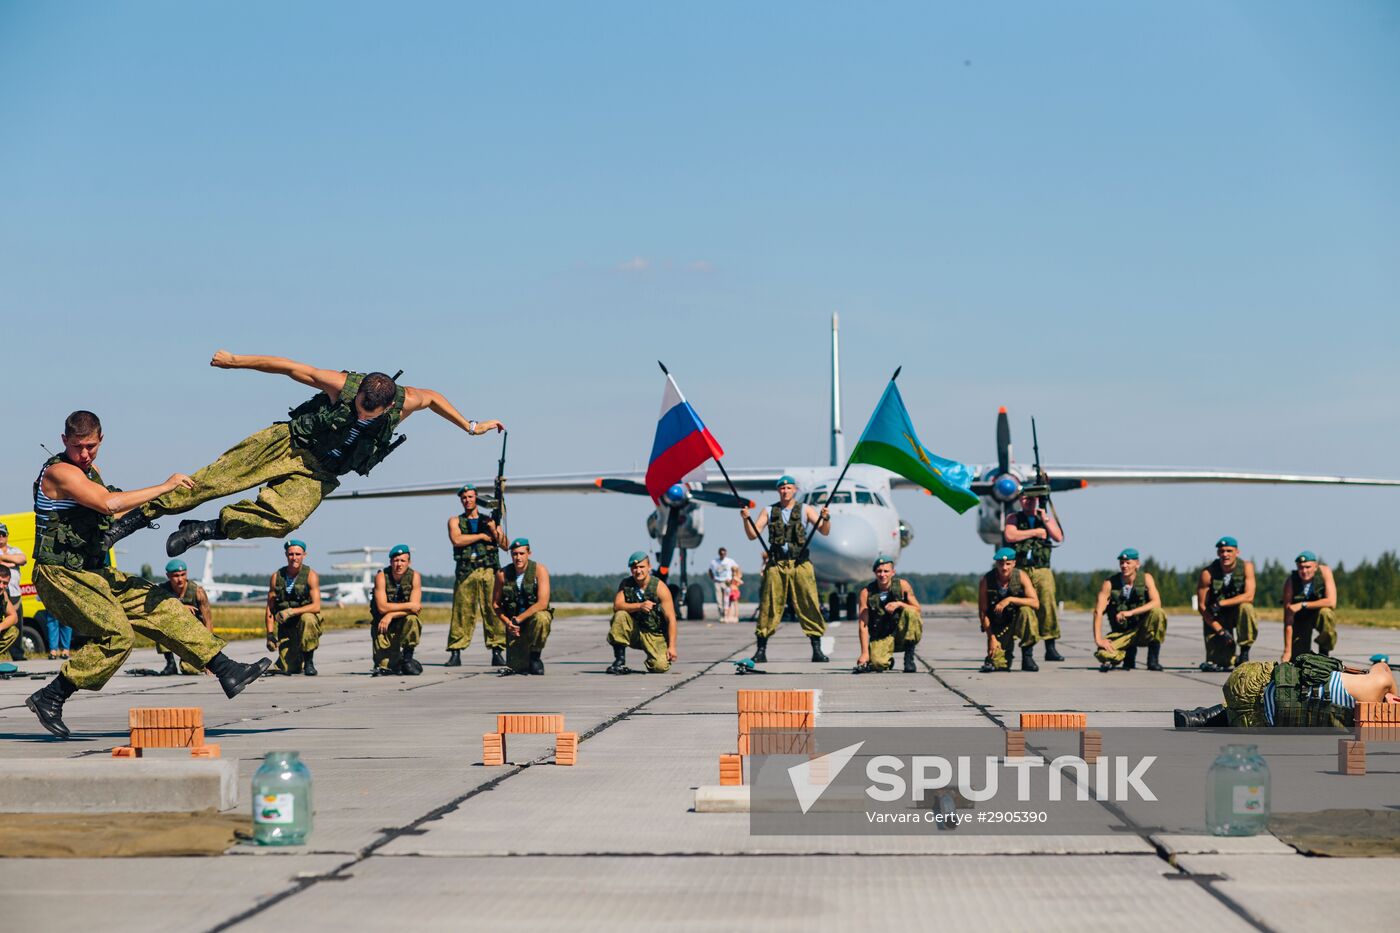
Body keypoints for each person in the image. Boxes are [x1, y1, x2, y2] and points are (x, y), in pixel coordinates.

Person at [100, 352, 504, 557]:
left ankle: (205, 530)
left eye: (368, 412)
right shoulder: (341, 384)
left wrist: (471, 426)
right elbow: (288, 366)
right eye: (359, 405)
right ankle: (132, 521)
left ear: (386, 408)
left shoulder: (406, 402)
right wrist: (235, 361)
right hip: (287, 444)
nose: (361, 413)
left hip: (320, 471)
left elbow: (434, 398)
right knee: (210, 482)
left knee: (284, 521)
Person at [25, 411, 270, 738]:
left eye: (91, 446)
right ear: (63, 441)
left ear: (101, 440)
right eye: (77, 446)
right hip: (60, 575)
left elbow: (118, 510)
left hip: (93, 572)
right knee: (118, 636)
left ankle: (226, 670)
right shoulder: (60, 473)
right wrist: (164, 485)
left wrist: (169, 500)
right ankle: (52, 696)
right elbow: (110, 505)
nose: (84, 454)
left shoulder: (90, 471)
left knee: (162, 605)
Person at [739, 476, 831, 663]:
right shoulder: (768, 511)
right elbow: (752, 535)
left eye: (789, 488)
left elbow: (824, 530)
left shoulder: (806, 509)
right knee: (769, 604)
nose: (785, 491)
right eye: (782, 488)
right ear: (778, 491)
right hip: (777, 564)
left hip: (800, 564)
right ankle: (761, 650)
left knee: (809, 603)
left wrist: (826, 518)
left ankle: (817, 649)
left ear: (795, 490)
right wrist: (746, 520)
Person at [1174, 654, 1398, 729]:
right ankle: (1201, 719)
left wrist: (1389, 689)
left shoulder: (1377, 685)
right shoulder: (1359, 731)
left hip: (1246, 683)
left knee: (1281, 687)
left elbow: (1383, 668)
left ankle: (1200, 716)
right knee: (1287, 706)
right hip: (1255, 724)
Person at [447, 484, 506, 667]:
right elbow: (457, 540)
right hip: (467, 571)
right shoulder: (455, 521)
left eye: (471, 497)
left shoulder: (489, 521)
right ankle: (456, 651)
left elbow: (505, 545)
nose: (467, 500)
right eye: (464, 498)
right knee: (461, 612)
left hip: (488, 570)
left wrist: (494, 530)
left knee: (493, 610)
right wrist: (481, 536)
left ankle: (497, 650)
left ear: (477, 498)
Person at [1003, 492, 1064, 661]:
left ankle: (1050, 647)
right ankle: (1016, 648)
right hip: (1021, 569)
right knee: (1020, 606)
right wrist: (1036, 532)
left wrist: (1045, 521)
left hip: (1041, 569)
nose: (1028, 502)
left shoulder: (1044, 517)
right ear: (1020, 501)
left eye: (1031, 498)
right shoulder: (1013, 518)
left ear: (1037, 500)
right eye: (1024, 498)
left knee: (1048, 605)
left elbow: (1058, 537)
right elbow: (1010, 535)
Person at [1091, 548, 1167, 672]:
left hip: (1142, 631)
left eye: (1128, 562)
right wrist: (1098, 639)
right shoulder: (1110, 583)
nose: (1124, 566)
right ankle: (1126, 655)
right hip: (1122, 634)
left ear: (1137, 564)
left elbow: (1156, 602)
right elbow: (1098, 612)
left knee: (1158, 613)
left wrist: (1130, 613)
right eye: (1121, 562)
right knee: (1103, 654)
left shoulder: (1146, 578)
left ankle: (1153, 660)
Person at [606, 552, 677, 674]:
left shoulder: (660, 588)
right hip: (635, 632)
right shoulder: (626, 585)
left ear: (649, 567)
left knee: (660, 667)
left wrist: (672, 647)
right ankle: (619, 661)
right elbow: (617, 606)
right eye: (634, 568)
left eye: (641, 567)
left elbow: (671, 619)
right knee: (620, 616)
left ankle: (653, 659)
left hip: (654, 635)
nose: (638, 571)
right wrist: (639, 606)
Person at [1196, 536, 1257, 672]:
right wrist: (1221, 631)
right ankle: (1234, 659)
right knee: (1220, 663)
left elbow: (1249, 595)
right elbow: (1202, 607)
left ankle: (1244, 652)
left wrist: (1222, 603)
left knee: (1247, 607)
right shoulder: (1208, 573)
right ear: (1218, 553)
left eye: (1229, 551)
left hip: (1238, 613)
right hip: (1218, 618)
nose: (1225, 554)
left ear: (1237, 552)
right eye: (1222, 551)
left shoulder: (1246, 567)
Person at [853, 556, 923, 674]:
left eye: (886, 571)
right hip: (882, 636)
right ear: (875, 573)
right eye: (879, 571)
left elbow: (917, 609)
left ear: (893, 572)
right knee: (877, 664)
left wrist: (900, 604)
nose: (882, 574)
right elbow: (863, 625)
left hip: (901, 634)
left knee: (911, 612)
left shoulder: (902, 585)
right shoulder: (866, 592)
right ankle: (888, 660)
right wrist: (864, 653)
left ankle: (909, 658)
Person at [493, 537, 552, 675]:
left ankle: (535, 656)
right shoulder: (502, 574)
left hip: (531, 619)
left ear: (529, 553)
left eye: (521, 553)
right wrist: (508, 623)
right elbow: (496, 604)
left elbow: (543, 603)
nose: (518, 557)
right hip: (514, 626)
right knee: (518, 668)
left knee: (542, 618)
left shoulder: (539, 570)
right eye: (514, 554)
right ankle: (525, 658)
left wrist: (519, 618)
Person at [977, 547, 1040, 673]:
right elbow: (983, 613)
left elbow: (1035, 603)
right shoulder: (986, 580)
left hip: (1017, 620)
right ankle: (999, 656)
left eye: (1008, 564)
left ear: (1014, 563)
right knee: (1000, 665)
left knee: (1026, 611)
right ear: (996, 564)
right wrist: (992, 638)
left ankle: (1027, 657)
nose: (1004, 567)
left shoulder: (1021, 576)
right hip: (999, 627)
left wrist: (1010, 599)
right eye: (1001, 564)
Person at [265, 539, 323, 676]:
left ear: (304, 555)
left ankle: (309, 662)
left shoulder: (311, 575)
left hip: (305, 623)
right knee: (289, 669)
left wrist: (292, 611)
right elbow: (270, 608)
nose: (294, 558)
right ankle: (295, 658)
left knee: (308, 618)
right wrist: (270, 634)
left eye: (298, 554)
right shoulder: (276, 577)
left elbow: (316, 606)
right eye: (291, 554)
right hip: (287, 628)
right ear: (286, 555)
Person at [155, 558, 213, 675]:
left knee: (188, 669)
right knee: (159, 623)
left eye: (183, 575)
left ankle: (192, 661)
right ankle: (170, 663)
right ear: (168, 576)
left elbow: (208, 622)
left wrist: (209, 657)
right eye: (176, 576)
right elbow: (156, 612)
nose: (180, 579)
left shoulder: (198, 592)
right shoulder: (162, 591)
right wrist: (180, 608)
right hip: (173, 631)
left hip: (194, 634)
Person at [371, 544, 422, 677]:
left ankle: (407, 659)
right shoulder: (381, 577)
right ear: (391, 562)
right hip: (383, 625)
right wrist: (408, 606)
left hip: (402, 622)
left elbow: (415, 608)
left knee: (412, 619)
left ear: (408, 562)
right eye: (396, 561)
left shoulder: (414, 576)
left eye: (402, 561)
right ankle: (397, 661)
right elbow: (382, 607)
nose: (399, 564)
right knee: (385, 668)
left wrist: (391, 614)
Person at [1281, 550, 1338, 662]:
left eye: (1308, 567)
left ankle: (1324, 652)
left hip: (1317, 614)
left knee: (1326, 613)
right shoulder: (1291, 581)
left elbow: (1332, 602)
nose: (1304, 571)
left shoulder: (1324, 572)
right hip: (1301, 620)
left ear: (1315, 566)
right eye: (1301, 567)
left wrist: (1303, 604)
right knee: (1298, 660)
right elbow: (1288, 619)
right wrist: (1287, 650)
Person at [0, 522, 26, 660]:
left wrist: (3, 559)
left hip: (14, 593)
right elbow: (17, 561)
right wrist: (12, 562)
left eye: (3, 534)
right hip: (2, 593)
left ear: (7, 536)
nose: (0, 537)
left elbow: (23, 559)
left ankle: (18, 655)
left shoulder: (14, 549)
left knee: (17, 625)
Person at [709, 547, 738, 622]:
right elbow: (710, 570)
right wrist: (713, 578)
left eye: (724, 553)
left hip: (726, 582)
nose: (722, 555)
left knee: (727, 599)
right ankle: (721, 615)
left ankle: (727, 615)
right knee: (719, 599)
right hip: (718, 581)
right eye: (721, 554)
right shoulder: (714, 562)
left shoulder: (730, 561)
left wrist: (733, 578)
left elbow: (736, 568)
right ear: (719, 554)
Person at [0, 566, 18, 660]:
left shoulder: (3, 595)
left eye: (5, 583)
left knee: (13, 631)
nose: (1, 586)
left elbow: (14, 616)